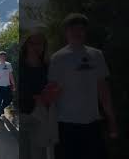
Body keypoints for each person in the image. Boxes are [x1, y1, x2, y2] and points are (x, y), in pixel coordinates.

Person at [49, 13, 117, 159]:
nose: (77, 32)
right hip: (66, 124)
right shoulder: (57, 58)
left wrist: (112, 121)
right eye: (73, 29)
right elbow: (51, 92)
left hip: (93, 122)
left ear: (85, 32)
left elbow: (103, 91)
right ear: (66, 32)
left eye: (81, 29)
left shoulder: (97, 55)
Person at [20, 27, 59, 159]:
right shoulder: (20, 65)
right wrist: (34, 97)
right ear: (26, 45)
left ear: (44, 46)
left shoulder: (47, 66)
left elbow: (53, 87)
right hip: (24, 114)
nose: (36, 47)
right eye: (33, 43)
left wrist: (52, 93)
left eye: (40, 43)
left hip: (41, 115)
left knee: (39, 154)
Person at [0, 51, 16, 121]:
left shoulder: (8, 64)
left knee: (9, 99)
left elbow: (11, 75)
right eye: (1, 56)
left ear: (5, 57)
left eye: (4, 56)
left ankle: (0, 110)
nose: (3, 57)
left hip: (7, 86)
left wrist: (13, 84)